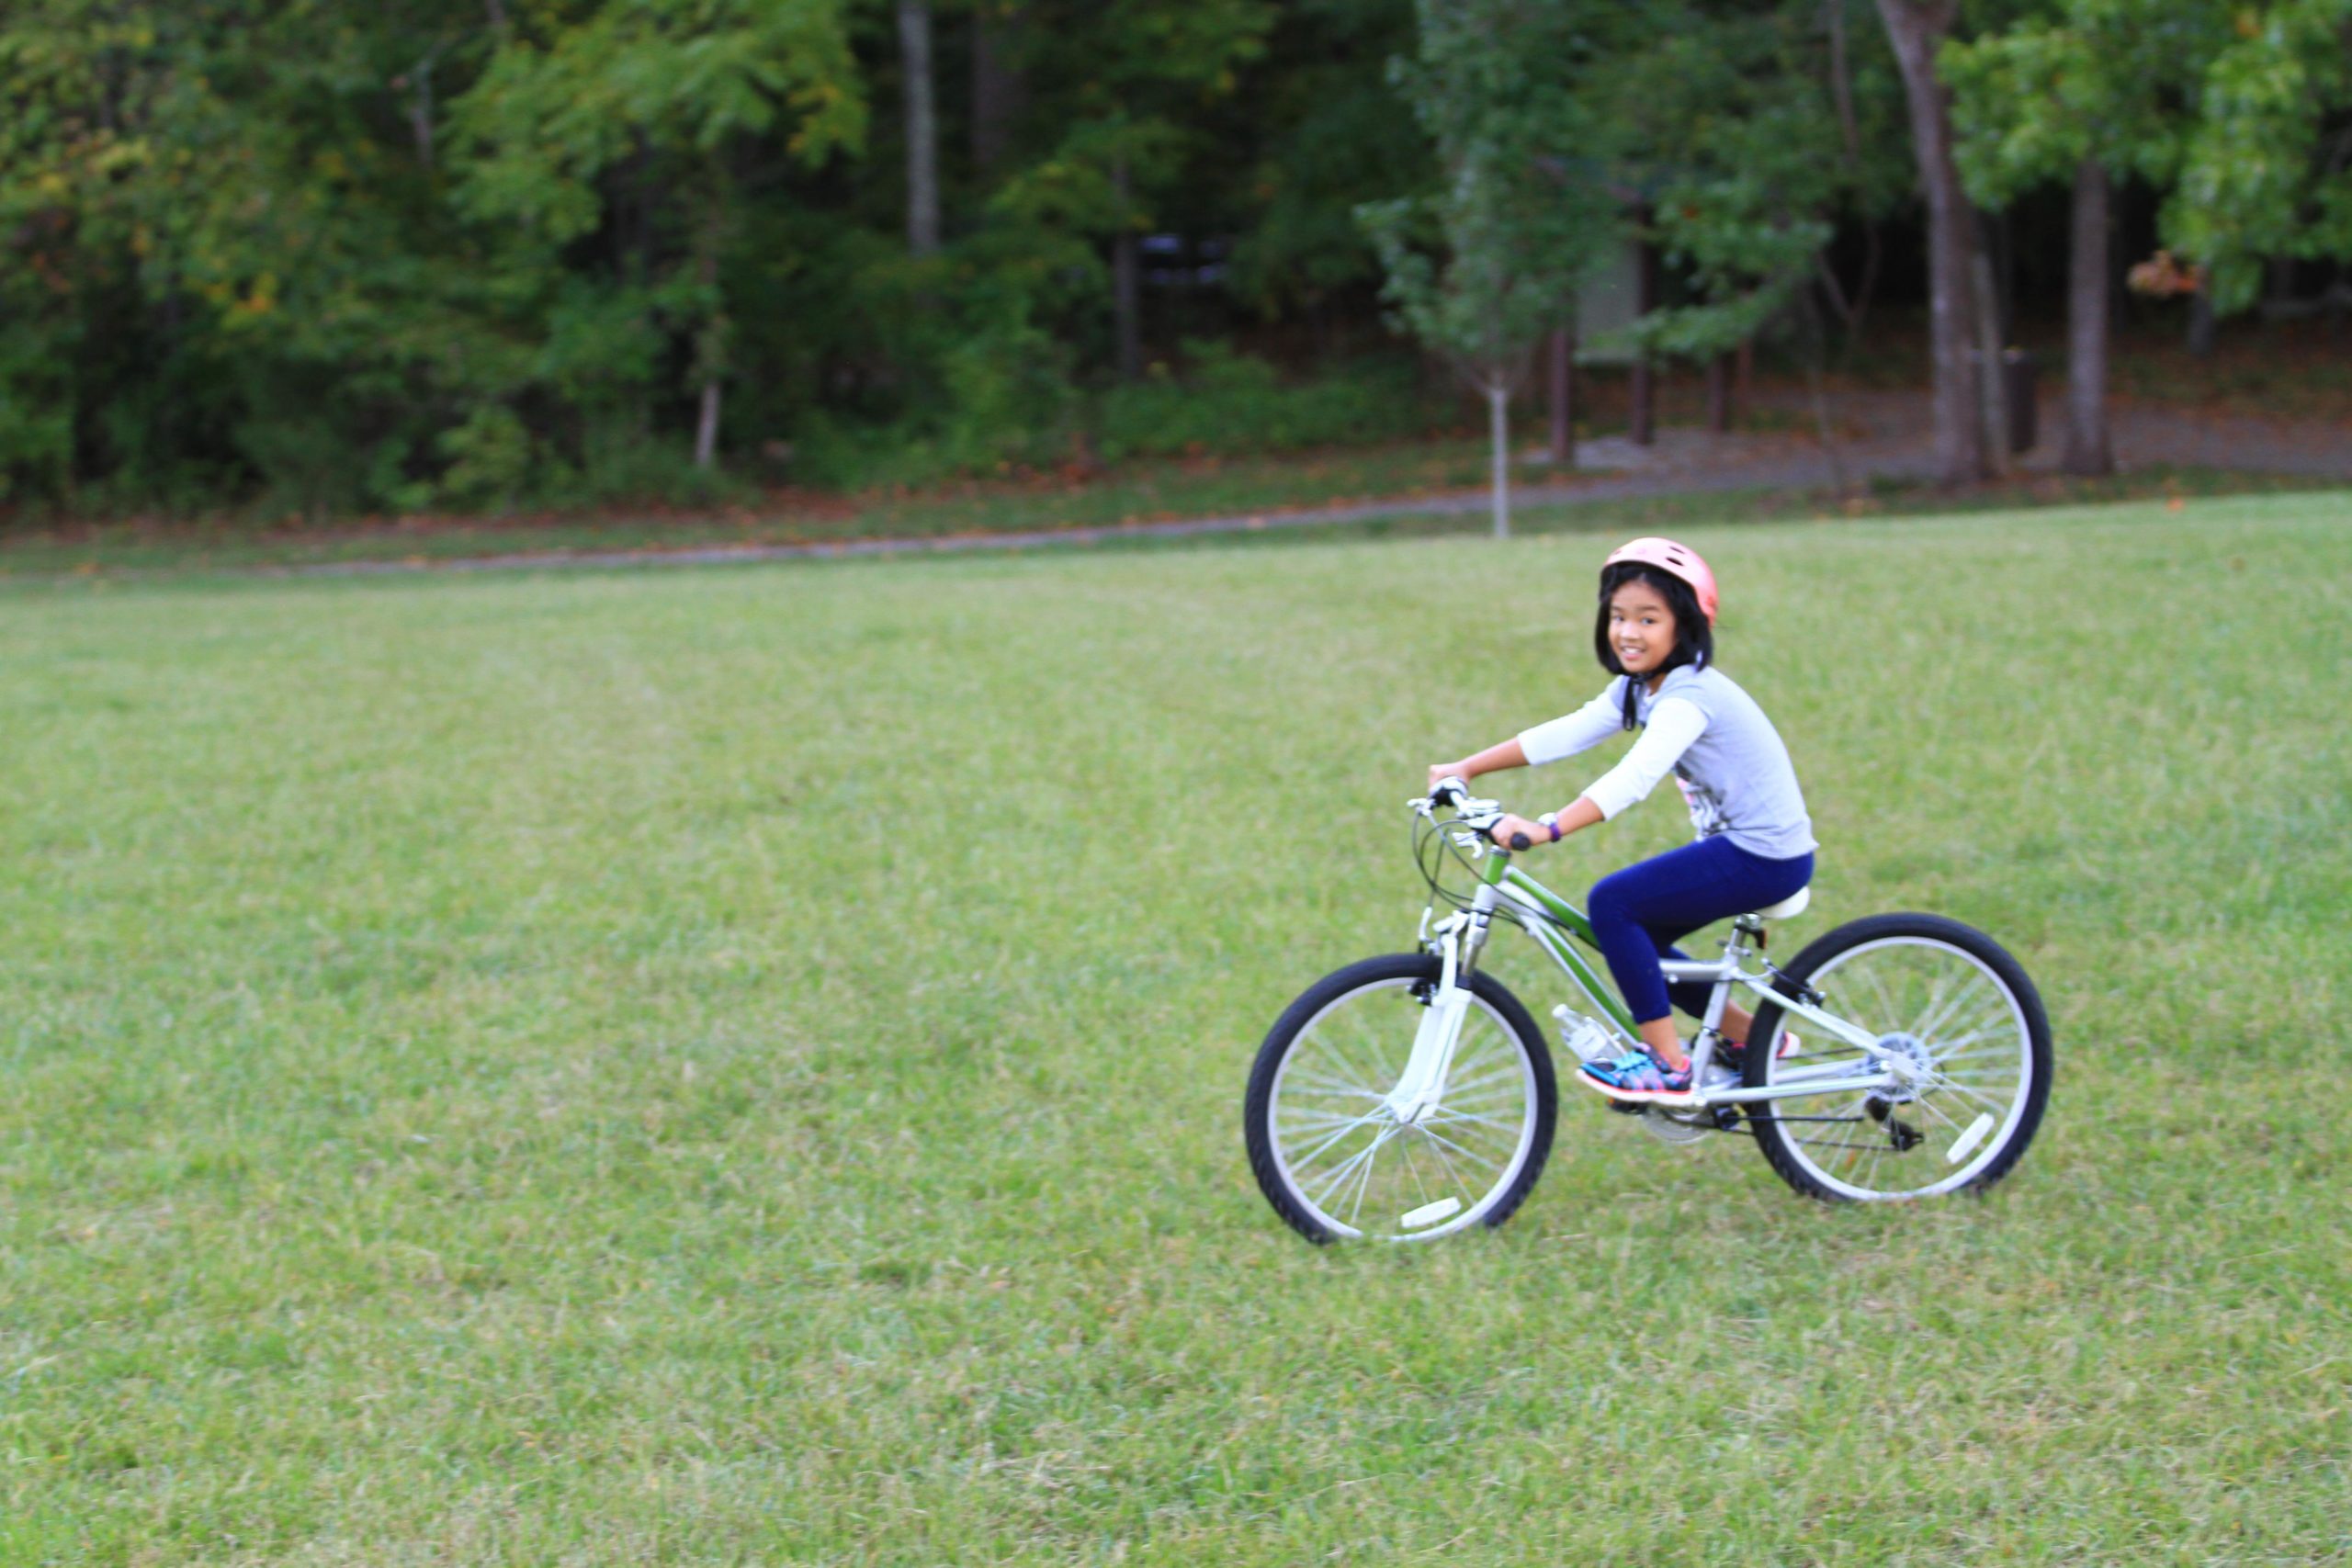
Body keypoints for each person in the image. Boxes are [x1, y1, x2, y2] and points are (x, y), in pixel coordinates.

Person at [1426, 537, 1815, 1103]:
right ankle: (1755, 1041)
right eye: (1618, 616)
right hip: (1741, 847)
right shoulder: (1641, 688)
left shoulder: (1688, 696)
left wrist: (1549, 827)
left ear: (1685, 626)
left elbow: (1634, 777)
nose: (1628, 632)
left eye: (1648, 619)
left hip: (1766, 854)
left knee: (1615, 904)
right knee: (1635, 937)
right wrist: (1467, 766)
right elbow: (1569, 731)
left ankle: (1669, 1066)